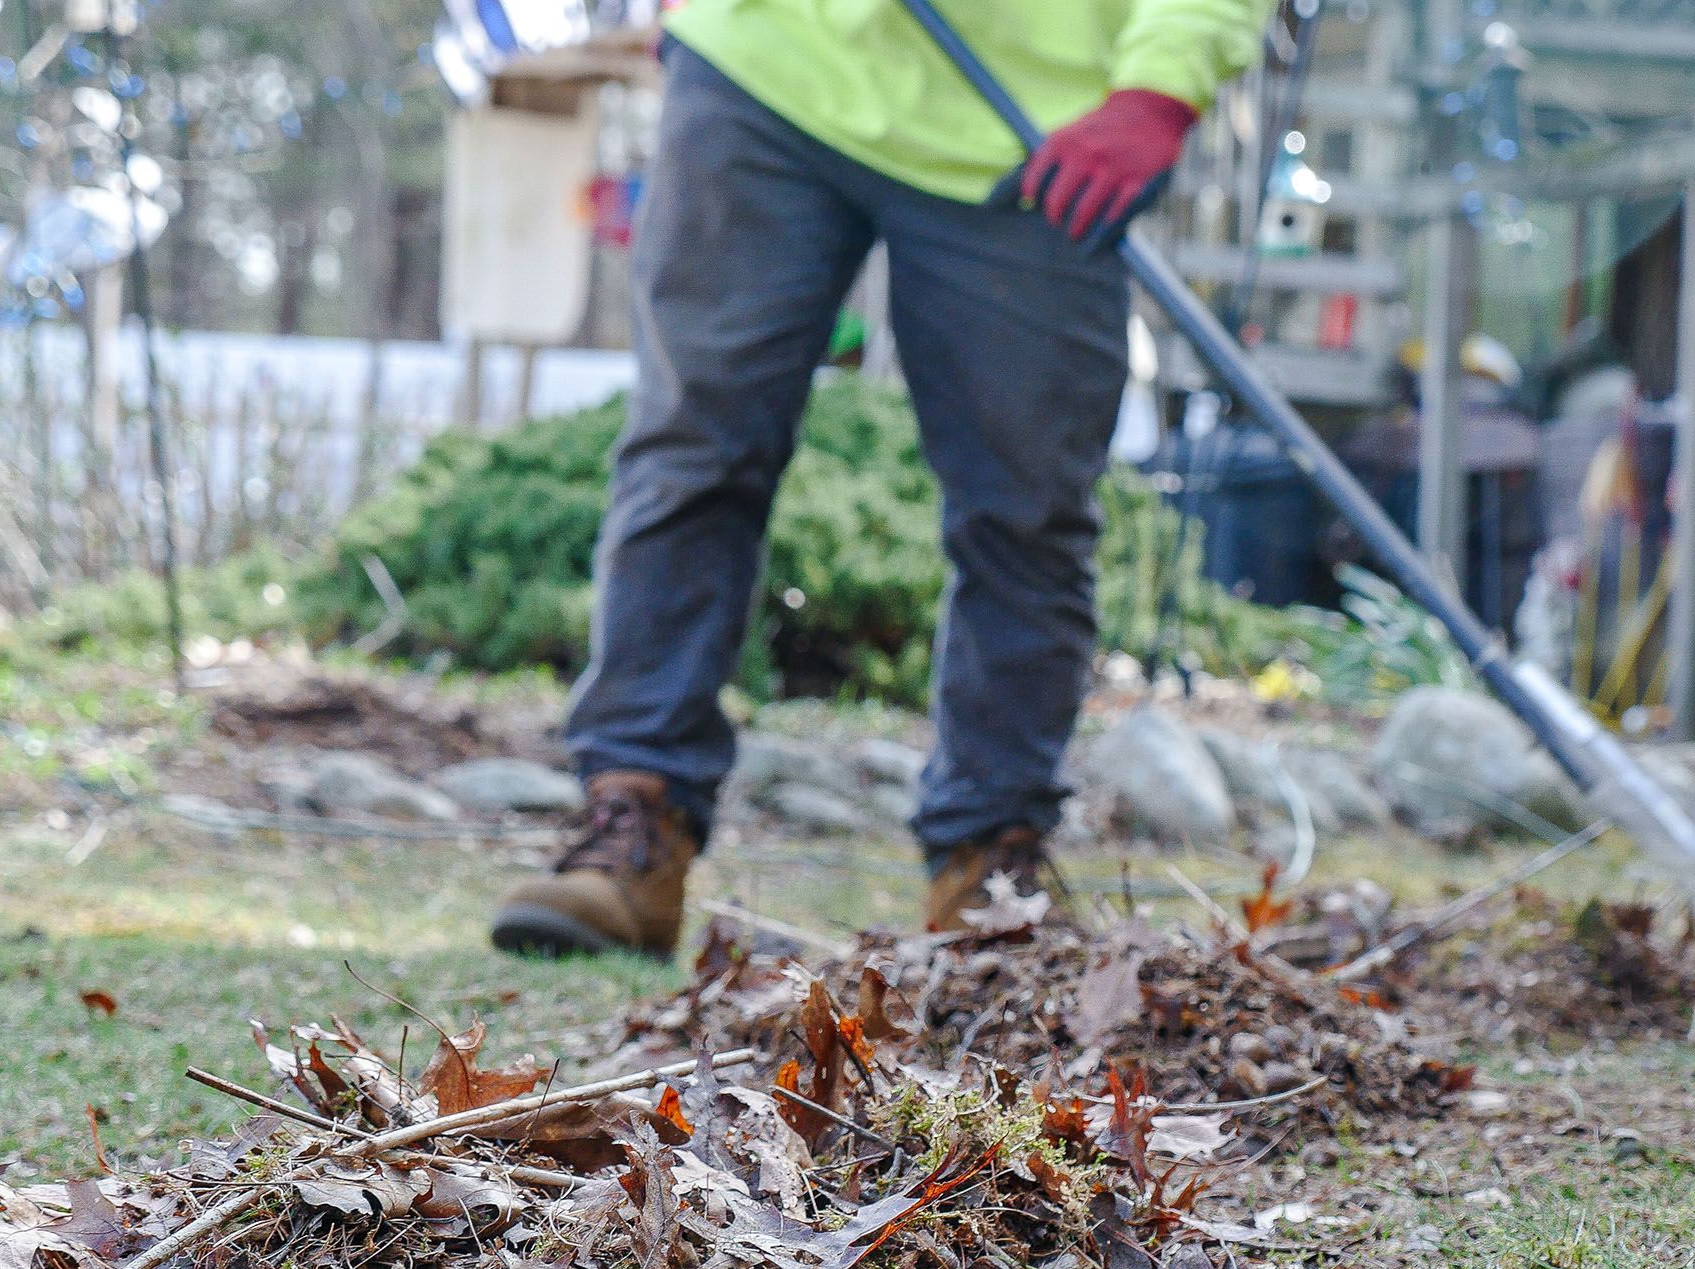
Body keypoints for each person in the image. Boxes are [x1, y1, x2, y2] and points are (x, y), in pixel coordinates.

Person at [492, 0, 1272, 958]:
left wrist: (1160, 89)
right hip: (771, 61)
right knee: (694, 452)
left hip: (1037, 127)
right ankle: (636, 822)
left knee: (1029, 508)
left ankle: (991, 864)